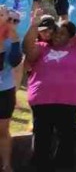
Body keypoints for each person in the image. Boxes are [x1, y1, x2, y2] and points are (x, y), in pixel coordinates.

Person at [22, 0, 76, 170]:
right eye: (56, 32)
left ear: (71, 37)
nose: (57, 36)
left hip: (69, 102)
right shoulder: (42, 47)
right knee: (42, 140)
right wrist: (33, 25)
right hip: (42, 100)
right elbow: (28, 50)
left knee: (67, 141)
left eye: (62, 34)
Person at [0, 9, 24, 172]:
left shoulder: (14, 40)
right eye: (9, 19)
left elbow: (15, 62)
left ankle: (6, 165)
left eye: (16, 21)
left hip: (5, 90)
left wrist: (15, 41)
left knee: (3, 129)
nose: (11, 24)